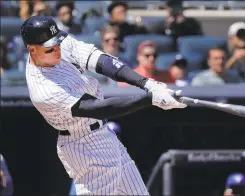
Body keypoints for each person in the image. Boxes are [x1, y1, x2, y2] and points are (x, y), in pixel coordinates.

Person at [21, 16, 186, 195]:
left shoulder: (58, 44)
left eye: (58, 43)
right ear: (32, 49)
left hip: (104, 135)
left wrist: (147, 84)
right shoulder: (42, 90)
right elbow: (98, 108)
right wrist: (150, 99)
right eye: (50, 48)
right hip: (83, 145)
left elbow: (102, 61)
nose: (58, 50)